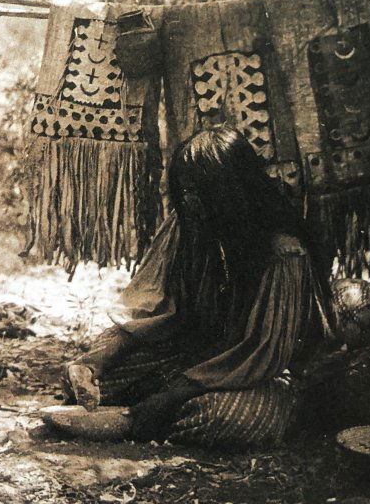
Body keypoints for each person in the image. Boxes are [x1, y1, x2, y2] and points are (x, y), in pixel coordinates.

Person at [62, 125, 339, 446]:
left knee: (221, 418)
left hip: (253, 374)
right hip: (195, 355)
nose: (190, 201)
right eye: (185, 191)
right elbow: (155, 312)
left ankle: (140, 420)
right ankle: (145, 412)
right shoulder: (187, 225)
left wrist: (175, 394)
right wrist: (93, 363)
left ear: (232, 191)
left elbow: (262, 354)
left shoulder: (284, 252)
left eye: (200, 191)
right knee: (107, 377)